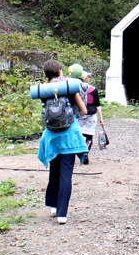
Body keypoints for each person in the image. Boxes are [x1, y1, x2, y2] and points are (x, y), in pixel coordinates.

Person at [37, 59, 87, 224]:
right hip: (69, 136)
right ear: (59, 72)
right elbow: (84, 110)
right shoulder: (69, 87)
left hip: (51, 136)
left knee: (54, 171)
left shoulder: (44, 90)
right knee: (66, 174)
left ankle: (53, 205)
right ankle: (62, 214)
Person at [68, 64, 104, 163]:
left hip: (79, 114)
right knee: (89, 136)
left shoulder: (73, 88)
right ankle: (86, 152)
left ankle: (79, 151)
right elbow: (98, 104)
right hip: (91, 115)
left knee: (79, 135)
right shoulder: (93, 89)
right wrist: (101, 118)